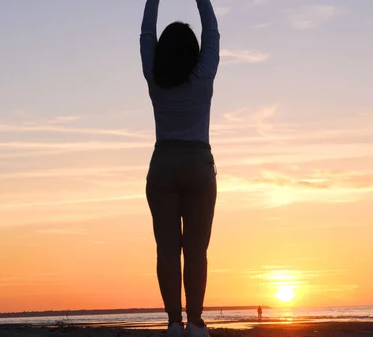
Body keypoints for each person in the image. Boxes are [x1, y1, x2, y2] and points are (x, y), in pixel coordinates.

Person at [140, 0, 220, 336]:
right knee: (196, 249)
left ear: (162, 53)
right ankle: (197, 322)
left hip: (163, 166)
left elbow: (146, 34)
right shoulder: (202, 77)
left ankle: (174, 322)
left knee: (167, 249)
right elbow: (212, 31)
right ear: (194, 52)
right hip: (198, 166)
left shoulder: (155, 78)